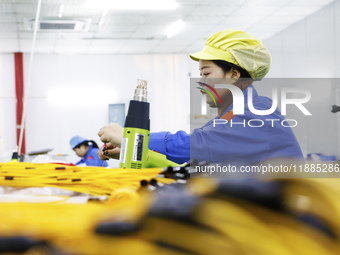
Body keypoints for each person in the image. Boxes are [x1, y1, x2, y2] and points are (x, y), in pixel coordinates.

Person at [97, 29, 303, 166]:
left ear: (233, 74)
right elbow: (189, 166)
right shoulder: (228, 118)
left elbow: (198, 146)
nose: (201, 82)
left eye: (206, 73)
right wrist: (136, 150)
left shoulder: (259, 112)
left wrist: (132, 137)